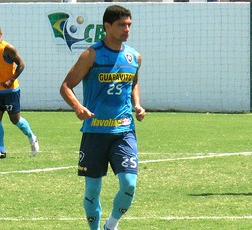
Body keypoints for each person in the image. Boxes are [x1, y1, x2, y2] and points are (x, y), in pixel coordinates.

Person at [60, 5, 146, 230]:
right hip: (95, 132)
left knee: (129, 184)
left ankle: (112, 225)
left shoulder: (134, 56)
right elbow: (66, 86)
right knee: (92, 191)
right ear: (107, 26)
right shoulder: (91, 55)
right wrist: (78, 107)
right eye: (121, 25)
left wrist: (137, 104)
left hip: (124, 131)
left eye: (129, 25)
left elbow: (133, 82)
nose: (126, 29)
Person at [0, 24, 39, 159]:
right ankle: (1, 150)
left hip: (11, 91)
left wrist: (11, 80)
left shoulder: (8, 49)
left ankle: (32, 137)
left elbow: (21, 65)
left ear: (1, 34)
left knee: (15, 120)